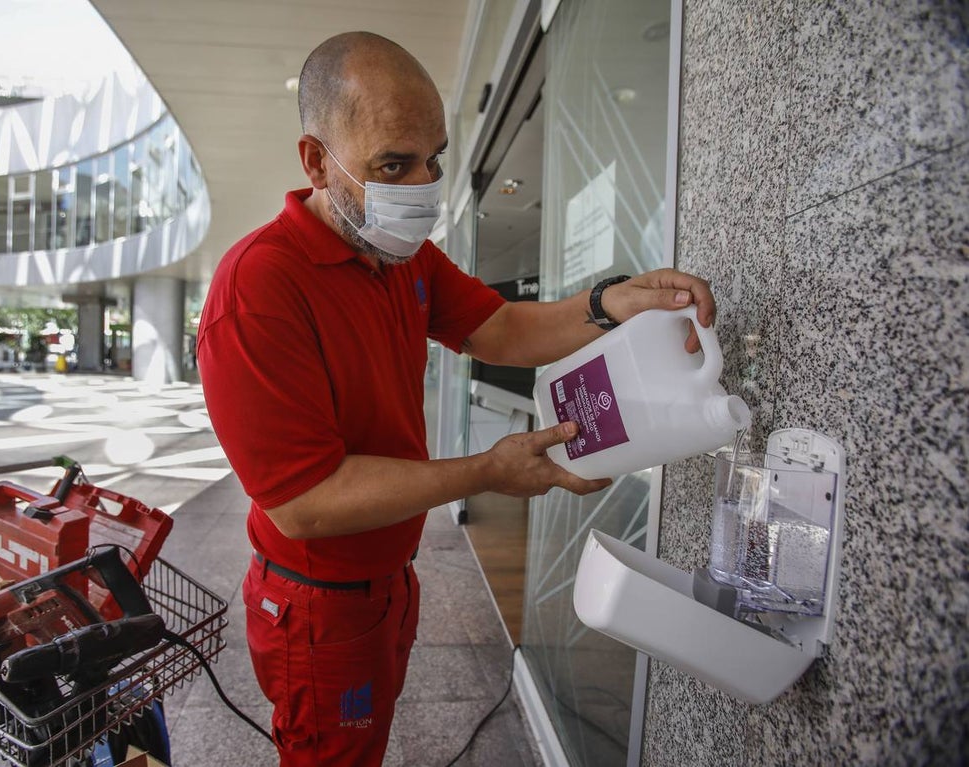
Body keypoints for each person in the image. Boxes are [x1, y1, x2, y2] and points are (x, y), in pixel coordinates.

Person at [196, 31, 716, 767]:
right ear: (316, 160)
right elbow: (303, 499)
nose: (422, 185)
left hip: (389, 583)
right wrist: (487, 470)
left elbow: (500, 328)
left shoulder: (400, 258)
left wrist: (610, 302)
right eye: (393, 165)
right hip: (318, 602)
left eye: (433, 158)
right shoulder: (256, 290)